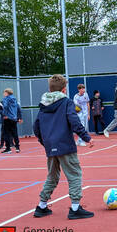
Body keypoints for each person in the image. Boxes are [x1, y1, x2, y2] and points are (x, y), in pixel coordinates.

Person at [33, 74, 94, 220]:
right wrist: (86, 137)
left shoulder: (43, 104)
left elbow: (36, 126)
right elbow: (74, 120)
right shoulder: (66, 102)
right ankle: (74, 208)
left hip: (50, 146)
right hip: (65, 145)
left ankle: (41, 206)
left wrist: (45, 141)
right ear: (64, 89)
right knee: (74, 174)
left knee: (52, 176)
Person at [0, 88, 21, 154]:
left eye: (4, 92)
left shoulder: (6, 98)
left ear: (7, 93)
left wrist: (4, 114)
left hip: (8, 118)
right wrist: (19, 117)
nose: (3, 94)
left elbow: (5, 106)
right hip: (14, 118)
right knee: (15, 133)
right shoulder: (14, 99)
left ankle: (8, 148)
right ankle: (17, 147)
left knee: (6, 133)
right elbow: (18, 108)